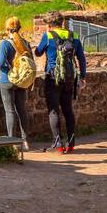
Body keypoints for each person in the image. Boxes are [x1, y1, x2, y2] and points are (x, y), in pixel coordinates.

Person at [34, 22, 87, 153]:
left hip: (53, 78)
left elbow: (38, 53)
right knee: (68, 109)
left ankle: (57, 143)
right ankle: (71, 142)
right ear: (63, 23)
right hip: (69, 79)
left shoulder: (48, 35)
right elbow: (81, 58)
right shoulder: (73, 35)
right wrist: (83, 76)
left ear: (50, 24)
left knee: (53, 110)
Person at [0, 17, 33, 150]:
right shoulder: (25, 42)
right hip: (21, 80)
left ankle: (12, 142)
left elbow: (1, 63)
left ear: (7, 29)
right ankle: (25, 141)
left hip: (7, 79)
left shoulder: (5, 43)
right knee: (22, 110)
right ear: (19, 28)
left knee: (10, 111)